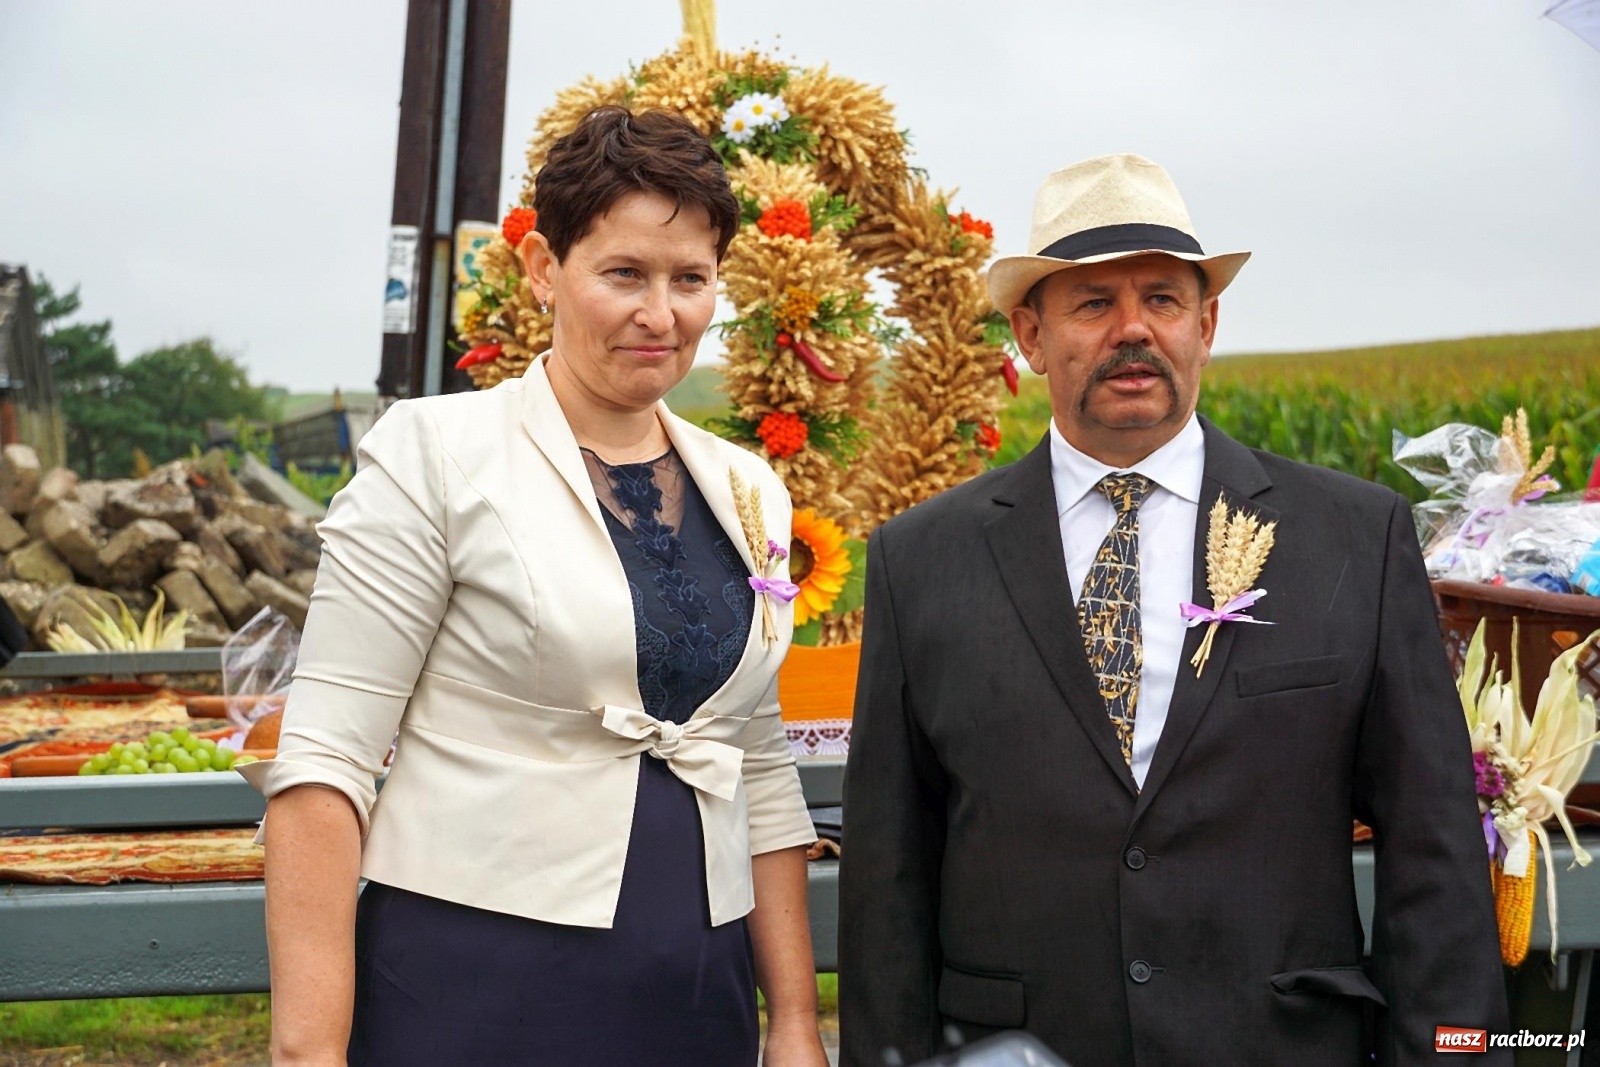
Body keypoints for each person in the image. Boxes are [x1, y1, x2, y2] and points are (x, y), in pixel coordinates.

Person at [838, 153, 1509, 1066]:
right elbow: (886, 871)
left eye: (1162, 298)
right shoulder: (921, 560)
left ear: (1207, 324)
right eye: (1092, 303)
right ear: (1030, 336)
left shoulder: (1353, 537)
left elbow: (1435, 853)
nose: (1133, 330)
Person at [240, 106, 828, 1067]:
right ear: (543, 268)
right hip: (474, 988)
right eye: (625, 273)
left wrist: (795, 1020)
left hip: (696, 994)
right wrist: (309, 1052)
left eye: (690, 279)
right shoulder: (434, 454)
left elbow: (757, 764)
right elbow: (324, 764)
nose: (661, 314)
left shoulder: (747, 486)